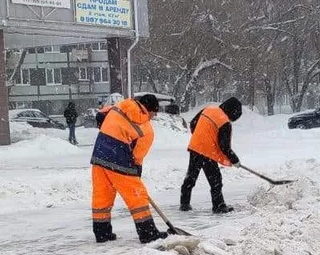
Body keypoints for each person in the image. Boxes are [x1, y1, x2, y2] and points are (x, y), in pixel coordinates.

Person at [91, 93, 167, 244]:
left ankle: (102, 233)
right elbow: (137, 156)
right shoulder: (147, 129)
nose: (154, 116)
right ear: (150, 110)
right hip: (119, 160)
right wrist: (136, 171)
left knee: (102, 196)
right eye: (155, 112)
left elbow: (100, 115)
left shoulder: (121, 105)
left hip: (99, 154)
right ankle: (148, 233)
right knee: (137, 196)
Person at [180, 97, 242, 213]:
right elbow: (224, 147)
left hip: (195, 147)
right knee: (215, 180)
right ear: (233, 112)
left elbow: (193, 123)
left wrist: (200, 137)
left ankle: (184, 203)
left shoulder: (208, 109)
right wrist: (235, 160)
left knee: (191, 176)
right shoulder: (224, 122)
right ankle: (219, 206)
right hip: (208, 152)